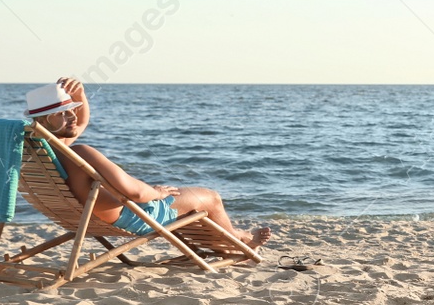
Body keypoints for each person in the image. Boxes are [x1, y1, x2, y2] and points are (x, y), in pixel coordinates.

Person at [23, 79, 271, 252]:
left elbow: (82, 123)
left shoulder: (43, 150)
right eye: (65, 113)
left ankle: (237, 237)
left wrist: (80, 97)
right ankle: (241, 241)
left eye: (72, 110)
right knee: (211, 198)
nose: (73, 116)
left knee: (194, 208)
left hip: (88, 216)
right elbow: (137, 194)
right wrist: (158, 193)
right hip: (134, 216)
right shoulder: (79, 152)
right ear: (47, 119)